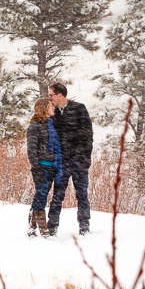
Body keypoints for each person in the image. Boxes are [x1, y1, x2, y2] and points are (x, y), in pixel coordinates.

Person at [47, 82, 93, 236]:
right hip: (61, 162)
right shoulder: (53, 113)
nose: (49, 97)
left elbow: (88, 135)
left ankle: (84, 227)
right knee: (58, 195)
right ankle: (52, 227)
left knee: (82, 194)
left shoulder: (79, 108)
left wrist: (86, 158)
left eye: (51, 94)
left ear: (60, 95)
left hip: (79, 161)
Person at [25, 97, 62, 237]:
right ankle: (43, 230)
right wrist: (35, 168)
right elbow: (31, 150)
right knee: (41, 196)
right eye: (51, 106)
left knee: (40, 196)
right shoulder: (35, 126)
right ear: (44, 108)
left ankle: (32, 228)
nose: (54, 108)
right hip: (41, 167)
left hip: (52, 166)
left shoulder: (51, 125)